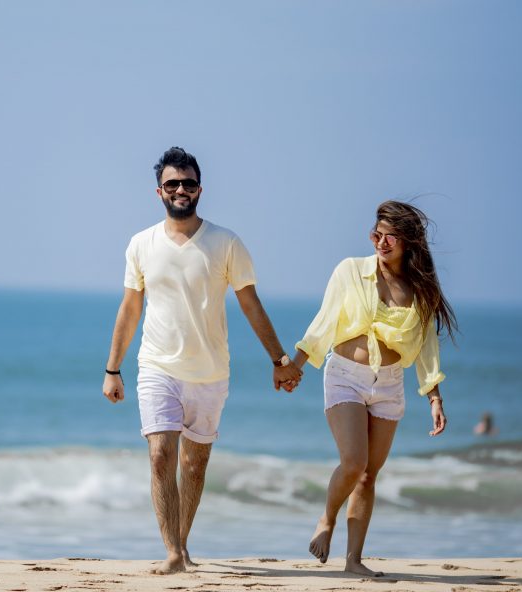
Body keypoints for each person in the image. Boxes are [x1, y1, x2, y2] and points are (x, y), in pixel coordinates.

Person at [102, 146, 303, 574]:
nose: (180, 190)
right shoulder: (141, 243)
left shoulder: (226, 242)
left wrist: (279, 359)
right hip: (157, 367)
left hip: (210, 371)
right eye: (172, 183)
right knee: (160, 457)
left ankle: (183, 545)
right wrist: (112, 368)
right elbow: (130, 308)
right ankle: (173, 554)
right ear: (159, 191)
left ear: (199, 189)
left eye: (188, 183)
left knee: (194, 465)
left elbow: (250, 304)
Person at [285, 200, 457, 577]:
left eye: (389, 236)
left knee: (368, 475)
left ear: (408, 241)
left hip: (390, 384)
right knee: (354, 462)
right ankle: (326, 519)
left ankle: (353, 560)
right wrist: (294, 367)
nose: (380, 242)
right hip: (345, 374)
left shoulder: (421, 291)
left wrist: (434, 397)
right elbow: (324, 323)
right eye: (376, 235)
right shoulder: (350, 271)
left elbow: (427, 347)